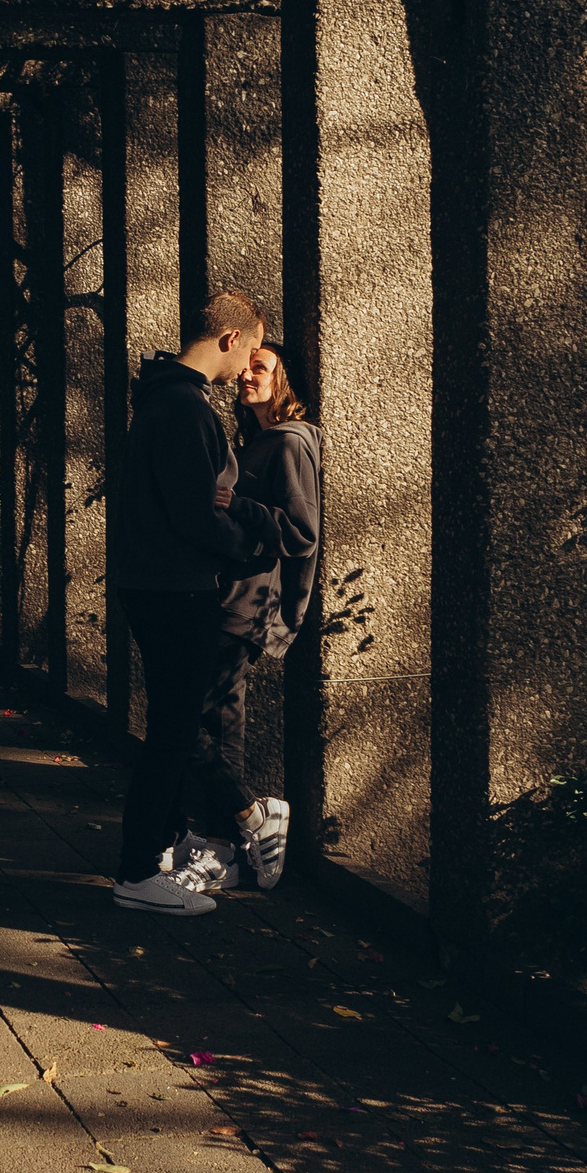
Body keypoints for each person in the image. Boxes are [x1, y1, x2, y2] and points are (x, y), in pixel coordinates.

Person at [106, 290, 295, 916]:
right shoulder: (186, 408)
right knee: (174, 729)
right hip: (174, 587)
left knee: (171, 724)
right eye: (248, 351)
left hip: (150, 581)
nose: (248, 369)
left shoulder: (161, 399)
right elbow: (195, 516)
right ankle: (138, 873)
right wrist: (255, 535)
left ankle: (163, 844)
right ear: (230, 339)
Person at [164, 342, 323, 895]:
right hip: (226, 598)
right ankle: (221, 846)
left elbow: (302, 533)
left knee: (194, 719)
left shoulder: (290, 443)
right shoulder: (257, 443)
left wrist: (235, 504)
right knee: (213, 720)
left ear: (285, 381)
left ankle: (243, 824)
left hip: (248, 605)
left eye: (262, 368)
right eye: (246, 368)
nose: (246, 376)